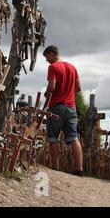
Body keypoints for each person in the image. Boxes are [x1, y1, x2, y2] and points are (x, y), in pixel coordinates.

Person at [43, 45, 84, 176]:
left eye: (47, 57)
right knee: (73, 138)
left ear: (52, 54)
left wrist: (47, 93)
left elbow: (51, 87)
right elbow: (78, 88)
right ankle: (79, 169)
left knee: (53, 137)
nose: (47, 60)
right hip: (71, 107)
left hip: (56, 106)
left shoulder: (53, 67)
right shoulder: (72, 67)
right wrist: (68, 93)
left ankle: (55, 168)